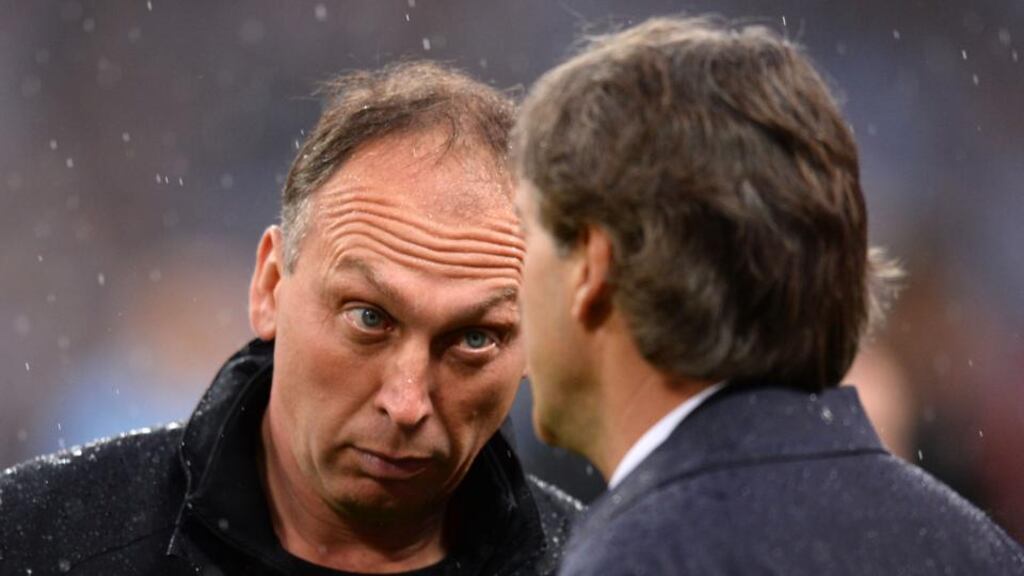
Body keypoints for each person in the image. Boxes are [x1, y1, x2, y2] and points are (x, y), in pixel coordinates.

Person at [1, 61, 581, 575]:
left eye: (474, 339)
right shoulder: (34, 539)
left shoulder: (613, 559)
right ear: (270, 286)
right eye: (368, 319)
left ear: (536, 343)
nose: (407, 404)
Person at [512, 16, 1024, 575]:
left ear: (593, 262)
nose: (511, 280)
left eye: (525, 228)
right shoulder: (978, 546)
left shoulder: (637, 558)